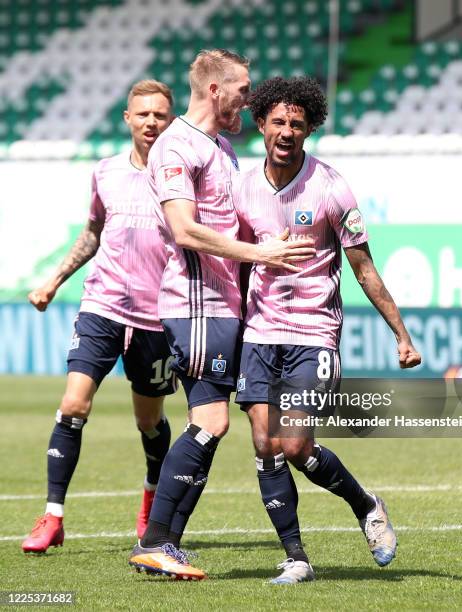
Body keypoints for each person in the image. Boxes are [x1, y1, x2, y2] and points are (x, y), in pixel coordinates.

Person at [128, 50, 316, 581]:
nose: (249, 99)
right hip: (195, 304)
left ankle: (161, 544)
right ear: (215, 90)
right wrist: (260, 255)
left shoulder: (223, 147)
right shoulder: (176, 146)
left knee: (212, 424)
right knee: (209, 422)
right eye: (243, 89)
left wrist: (266, 240)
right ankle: (159, 539)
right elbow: (184, 229)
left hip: (225, 305)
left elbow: (229, 222)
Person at [233, 76, 422, 584]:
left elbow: (363, 267)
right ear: (262, 125)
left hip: (314, 332)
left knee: (294, 445)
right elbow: (240, 265)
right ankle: (296, 559)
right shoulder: (242, 188)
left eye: (298, 123)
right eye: (278, 122)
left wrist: (401, 334)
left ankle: (366, 505)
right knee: (264, 444)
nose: (287, 131)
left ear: (310, 127)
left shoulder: (331, 186)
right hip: (259, 333)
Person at [22, 80, 178, 553]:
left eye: (161, 115)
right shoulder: (106, 172)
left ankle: (151, 496)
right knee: (73, 405)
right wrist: (54, 280)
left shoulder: (181, 179)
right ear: (127, 119)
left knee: (149, 421)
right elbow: (93, 232)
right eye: (143, 114)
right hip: (102, 307)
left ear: (171, 122)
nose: (152, 122)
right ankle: (52, 517)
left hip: (158, 319)